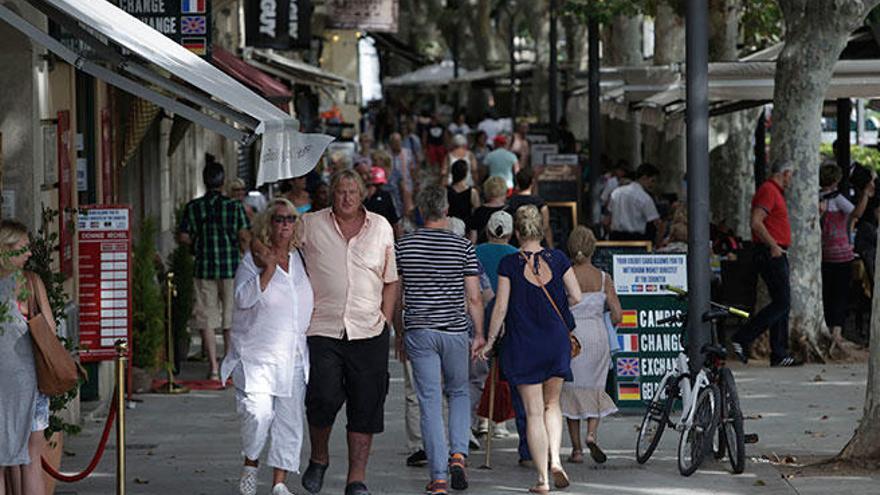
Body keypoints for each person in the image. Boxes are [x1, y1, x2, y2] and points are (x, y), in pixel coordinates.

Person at [296, 169, 399, 495]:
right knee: (322, 397)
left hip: (368, 330)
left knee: (365, 405)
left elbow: (391, 279)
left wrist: (385, 319)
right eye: (341, 191)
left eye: (352, 192)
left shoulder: (380, 227)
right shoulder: (310, 224)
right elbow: (283, 249)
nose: (346, 198)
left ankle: (357, 478)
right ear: (331, 193)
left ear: (362, 194)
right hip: (322, 327)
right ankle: (319, 457)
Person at [480, 205, 582, 494]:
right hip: (556, 340)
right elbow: (576, 295)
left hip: (524, 343)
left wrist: (489, 342)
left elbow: (500, 307)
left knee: (533, 413)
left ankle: (542, 479)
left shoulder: (509, 264)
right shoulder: (559, 258)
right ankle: (555, 460)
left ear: (518, 232)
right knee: (553, 406)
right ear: (539, 228)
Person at [396, 185, 485, 495]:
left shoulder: (404, 246)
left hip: (420, 331)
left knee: (429, 402)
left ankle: (438, 478)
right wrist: (480, 334)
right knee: (459, 392)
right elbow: (474, 297)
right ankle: (458, 454)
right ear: (447, 210)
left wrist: (399, 331)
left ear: (421, 211)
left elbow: (399, 296)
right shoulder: (463, 247)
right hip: (455, 331)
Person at [221, 199, 314, 495]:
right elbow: (242, 298)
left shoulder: (301, 257)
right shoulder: (253, 259)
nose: (285, 224)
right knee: (258, 414)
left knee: (289, 422)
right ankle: (251, 462)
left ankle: (279, 483)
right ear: (268, 223)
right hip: (257, 355)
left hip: (294, 355)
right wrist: (269, 269)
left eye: (290, 219)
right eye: (279, 219)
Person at [179, 162, 251, 381]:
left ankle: (212, 367)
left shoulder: (194, 207)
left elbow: (183, 236)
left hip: (204, 268)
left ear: (204, 180)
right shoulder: (234, 206)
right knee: (230, 317)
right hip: (231, 268)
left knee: (207, 319)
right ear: (223, 182)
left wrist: (195, 244)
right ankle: (228, 367)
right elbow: (244, 236)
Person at [561, 226, 621, 465]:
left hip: (573, 338)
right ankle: (592, 434)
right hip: (597, 336)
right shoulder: (604, 278)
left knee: (571, 392)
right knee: (596, 387)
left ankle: (576, 450)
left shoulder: (565, 276)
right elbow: (617, 313)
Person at [731, 161, 800, 367]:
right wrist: (773, 245)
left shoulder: (774, 191)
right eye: (791, 176)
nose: (791, 180)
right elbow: (756, 221)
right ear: (785, 173)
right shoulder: (769, 191)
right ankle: (743, 337)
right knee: (783, 302)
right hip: (771, 250)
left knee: (782, 302)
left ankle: (779, 352)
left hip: (775, 250)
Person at [0, 220, 47, 495]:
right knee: (30, 458)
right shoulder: (27, 282)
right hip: (26, 381)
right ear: (5, 248)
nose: (30, 252)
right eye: (24, 246)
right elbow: (50, 333)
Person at [819, 163, 873, 349]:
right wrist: (865, 194)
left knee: (826, 291)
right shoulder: (838, 199)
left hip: (824, 253)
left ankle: (826, 324)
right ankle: (837, 332)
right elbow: (856, 213)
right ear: (836, 180)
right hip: (841, 253)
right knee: (841, 293)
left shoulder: (818, 198)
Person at [608, 163, 663, 245]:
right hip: (637, 240)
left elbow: (608, 218)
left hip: (615, 239)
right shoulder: (644, 198)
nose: (653, 185)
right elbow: (657, 223)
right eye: (652, 181)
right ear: (644, 178)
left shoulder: (616, 192)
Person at [507, 168, 554, 249]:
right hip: (537, 244)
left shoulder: (510, 202)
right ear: (532, 182)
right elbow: (546, 227)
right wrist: (551, 247)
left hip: (515, 244)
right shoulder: (540, 203)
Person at [357, 163, 401, 238]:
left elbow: (395, 221)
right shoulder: (355, 197)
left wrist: (399, 243)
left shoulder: (385, 196)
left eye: (368, 173)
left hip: (383, 238)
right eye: (362, 174)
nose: (366, 176)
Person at [467, 176, 508, 245]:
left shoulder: (479, 212)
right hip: (506, 252)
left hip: (483, 250)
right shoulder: (509, 211)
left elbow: (473, 239)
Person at [388, 133, 416, 221]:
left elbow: (412, 169)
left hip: (407, 185)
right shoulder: (388, 155)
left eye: (399, 141)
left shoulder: (407, 152)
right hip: (393, 188)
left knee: (408, 210)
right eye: (394, 141)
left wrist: (415, 183)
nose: (397, 143)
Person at [447, 160, 481, 227]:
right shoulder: (472, 192)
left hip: (449, 226)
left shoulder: (446, 191)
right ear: (466, 174)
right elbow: (477, 213)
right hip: (466, 227)